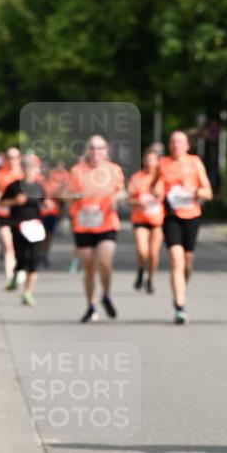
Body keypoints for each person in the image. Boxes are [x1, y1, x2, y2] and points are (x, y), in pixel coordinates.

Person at [61, 135, 125, 323]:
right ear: (87, 150)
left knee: (105, 262)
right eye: (93, 148)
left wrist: (116, 198)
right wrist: (74, 196)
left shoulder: (113, 170)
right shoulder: (77, 171)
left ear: (106, 151)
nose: (96, 152)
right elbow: (65, 195)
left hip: (106, 222)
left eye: (100, 148)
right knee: (88, 266)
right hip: (84, 224)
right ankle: (91, 305)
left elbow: (122, 190)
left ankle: (106, 294)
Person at [153, 131, 213, 324]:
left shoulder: (194, 162)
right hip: (171, 216)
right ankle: (180, 305)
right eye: (172, 142)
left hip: (192, 215)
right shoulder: (163, 163)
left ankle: (181, 289)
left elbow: (208, 193)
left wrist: (193, 191)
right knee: (175, 260)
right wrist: (157, 190)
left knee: (187, 263)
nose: (175, 145)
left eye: (179, 142)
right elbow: (155, 185)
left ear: (187, 145)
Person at [0, 154, 46, 305]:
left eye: (33, 167)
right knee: (20, 257)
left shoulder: (39, 187)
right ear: (23, 169)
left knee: (33, 260)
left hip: (34, 227)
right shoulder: (14, 186)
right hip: (17, 225)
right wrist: (14, 201)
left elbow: (44, 203)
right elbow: (1, 202)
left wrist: (48, 205)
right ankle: (15, 276)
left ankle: (28, 293)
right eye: (27, 167)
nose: (30, 171)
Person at [127, 146, 163, 293]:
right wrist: (138, 203)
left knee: (154, 254)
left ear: (157, 162)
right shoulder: (137, 177)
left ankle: (150, 279)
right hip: (140, 219)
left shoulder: (162, 178)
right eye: (147, 160)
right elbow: (128, 199)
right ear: (143, 161)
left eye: (152, 161)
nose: (149, 163)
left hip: (157, 221)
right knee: (143, 251)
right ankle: (141, 270)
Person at [0, 147, 22, 287]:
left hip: (22, 216)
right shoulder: (1, 175)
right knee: (7, 244)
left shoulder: (24, 175)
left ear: (19, 159)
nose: (12, 160)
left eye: (15, 157)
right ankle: (10, 276)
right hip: (5, 215)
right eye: (10, 157)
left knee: (20, 246)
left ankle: (20, 269)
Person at [41, 161, 69, 266]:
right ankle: (39, 253)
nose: (45, 172)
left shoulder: (55, 184)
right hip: (40, 214)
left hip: (52, 213)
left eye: (47, 170)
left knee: (49, 235)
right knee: (40, 235)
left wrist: (60, 192)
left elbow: (61, 198)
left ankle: (44, 254)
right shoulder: (38, 182)